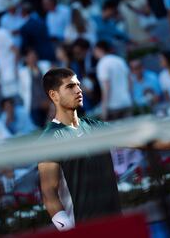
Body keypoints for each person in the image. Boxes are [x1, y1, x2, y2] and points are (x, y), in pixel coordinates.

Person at [38, 68, 121, 231]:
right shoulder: (49, 139)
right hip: (84, 229)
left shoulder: (96, 126)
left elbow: (145, 139)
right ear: (54, 95)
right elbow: (49, 195)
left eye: (78, 85)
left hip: (117, 225)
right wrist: (70, 232)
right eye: (70, 87)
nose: (78, 90)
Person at [93, 41, 133, 120]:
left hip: (113, 106)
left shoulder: (102, 64)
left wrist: (104, 108)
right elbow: (130, 81)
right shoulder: (120, 60)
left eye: (95, 50)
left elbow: (106, 87)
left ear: (99, 49)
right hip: (126, 102)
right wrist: (129, 97)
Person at [18, 48, 52, 127]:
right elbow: (21, 91)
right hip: (34, 105)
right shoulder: (22, 72)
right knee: (39, 125)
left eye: (34, 56)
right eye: (30, 57)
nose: (32, 58)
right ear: (26, 59)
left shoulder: (45, 65)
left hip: (48, 101)